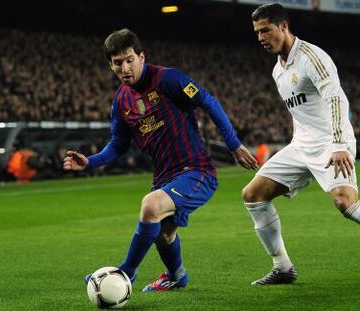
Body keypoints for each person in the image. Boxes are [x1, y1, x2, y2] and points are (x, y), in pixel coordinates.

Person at [64, 28, 258, 292]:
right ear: (110, 65)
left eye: (129, 59)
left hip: (197, 171)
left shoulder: (169, 79)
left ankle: (125, 273)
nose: (125, 67)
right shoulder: (121, 101)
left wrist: (234, 145)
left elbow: (208, 101)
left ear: (141, 57)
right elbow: (117, 145)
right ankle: (176, 275)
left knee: (150, 206)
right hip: (164, 176)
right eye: (118, 63)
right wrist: (90, 162)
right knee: (163, 234)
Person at [242, 3, 358, 286]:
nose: (260, 37)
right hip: (300, 146)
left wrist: (340, 143)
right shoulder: (277, 70)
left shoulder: (311, 57)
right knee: (253, 195)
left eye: (266, 30)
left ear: (284, 26)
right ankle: (283, 268)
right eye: (257, 32)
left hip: (332, 144)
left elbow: (335, 98)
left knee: (345, 204)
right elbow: (302, 112)